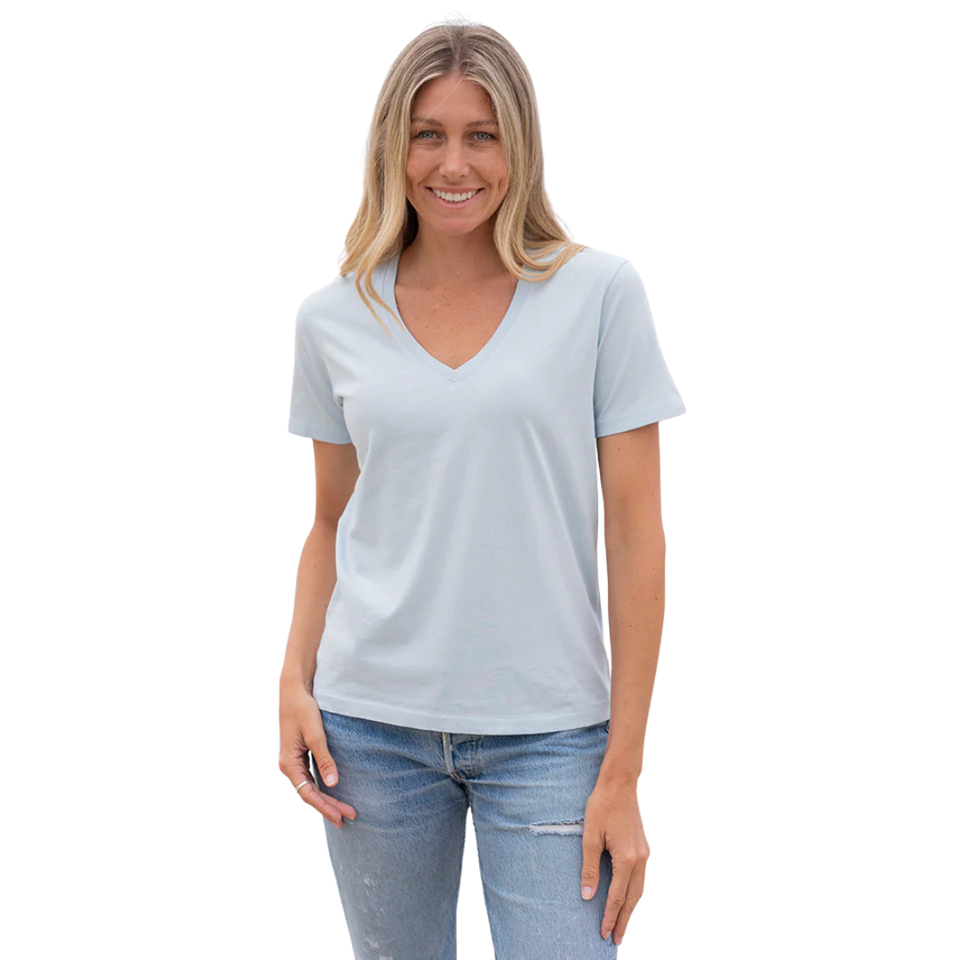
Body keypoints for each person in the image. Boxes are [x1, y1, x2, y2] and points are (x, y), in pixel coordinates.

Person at [278, 19, 686, 960]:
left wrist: (623, 767)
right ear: (393, 146)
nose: (453, 163)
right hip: (369, 732)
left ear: (519, 147)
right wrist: (293, 680)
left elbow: (637, 537)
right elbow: (331, 522)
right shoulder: (333, 317)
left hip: (551, 738)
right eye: (428, 134)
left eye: (482, 135)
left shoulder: (599, 296)